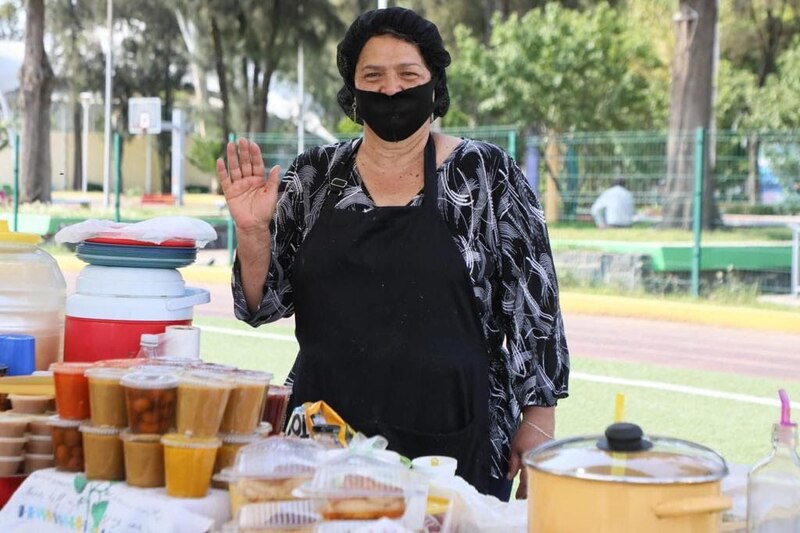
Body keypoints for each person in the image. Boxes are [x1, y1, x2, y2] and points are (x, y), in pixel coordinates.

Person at [216, 7, 569, 501]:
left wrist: (539, 419)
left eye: (408, 75)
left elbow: (536, 306)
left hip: (454, 432)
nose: (390, 90)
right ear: (352, 89)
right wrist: (252, 232)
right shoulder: (313, 176)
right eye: (372, 76)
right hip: (325, 433)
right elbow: (263, 305)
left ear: (434, 83)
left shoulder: (486, 174)